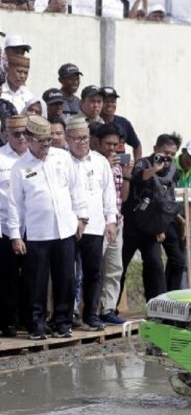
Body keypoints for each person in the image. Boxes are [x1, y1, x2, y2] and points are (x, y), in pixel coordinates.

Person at [7, 116, 88, 340]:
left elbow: (76, 188)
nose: (46, 145)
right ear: (30, 139)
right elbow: (14, 205)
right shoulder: (20, 167)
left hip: (65, 230)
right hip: (37, 233)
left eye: (49, 140)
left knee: (66, 279)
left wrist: (82, 217)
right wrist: (15, 235)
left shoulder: (62, 158)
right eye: (41, 141)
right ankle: (37, 324)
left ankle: (63, 322)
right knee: (36, 282)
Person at [67, 117, 117, 330]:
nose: (82, 142)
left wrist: (111, 220)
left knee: (93, 273)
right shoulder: (61, 160)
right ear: (68, 139)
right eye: (77, 138)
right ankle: (68, 315)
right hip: (68, 227)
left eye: (85, 138)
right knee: (69, 273)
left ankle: (91, 315)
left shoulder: (100, 161)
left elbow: (109, 193)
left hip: (95, 226)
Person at [120, 133, 179, 301]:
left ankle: (157, 308)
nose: (168, 157)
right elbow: (139, 177)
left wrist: (162, 228)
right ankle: (110, 309)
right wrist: (155, 169)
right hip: (132, 225)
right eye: (165, 152)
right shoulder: (143, 163)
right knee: (121, 267)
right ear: (155, 149)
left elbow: (168, 202)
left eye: (172, 154)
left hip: (152, 228)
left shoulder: (173, 171)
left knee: (155, 266)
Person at [92, 123, 132, 324]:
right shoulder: (92, 162)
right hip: (97, 222)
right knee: (93, 269)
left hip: (117, 221)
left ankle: (108, 309)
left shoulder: (117, 163)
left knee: (115, 268)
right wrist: (106, 165)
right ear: (97, 142)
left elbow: (123, 197)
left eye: (115, 144)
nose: (112, 148)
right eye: (108, 143)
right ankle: (89, 311)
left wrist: (126, 174)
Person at [0, 115, 30, 337]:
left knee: (32, 276)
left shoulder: (36, 157)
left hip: (34, 227)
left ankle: (29, 321)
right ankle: (9, 322)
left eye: (25, 133)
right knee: (7, 277)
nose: (22, 138)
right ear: (6, 134)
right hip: (5, 227)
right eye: (16, 133)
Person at [165, 138, 191, 290]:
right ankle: (164, 295)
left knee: (178, 259)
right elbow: (166, 197)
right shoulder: (171, 166)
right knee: (175, 258)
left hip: (181, 216)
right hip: (165, 215)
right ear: (183, 152)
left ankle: (171, 295)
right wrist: (181, 221)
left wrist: (187, 227)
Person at [100, 86, 142, 160]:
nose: (110, 104)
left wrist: (137, 165)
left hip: (122, 169)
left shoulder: (124, 123)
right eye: (106, 101)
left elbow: (137, 145)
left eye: (113, 101)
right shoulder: (95, 123)